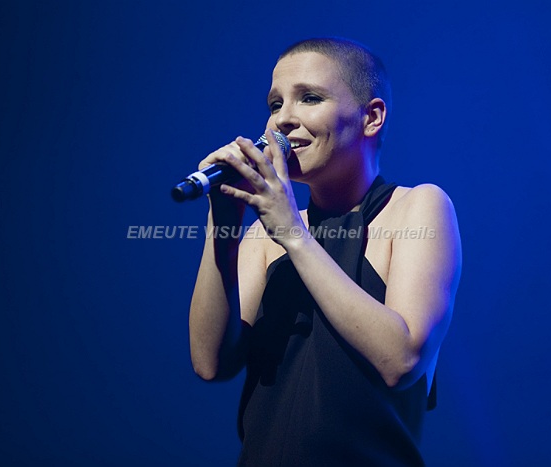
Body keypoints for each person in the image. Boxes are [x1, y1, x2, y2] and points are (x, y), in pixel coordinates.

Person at [188, 37, 462, 466]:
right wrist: (222, 222)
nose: (283, 119)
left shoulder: (417, 207)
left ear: (372, 118)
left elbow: (402, 359)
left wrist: (294, 235)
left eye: (310, 98)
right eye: (275, 104)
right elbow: (210, 362)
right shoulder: (266, 234)